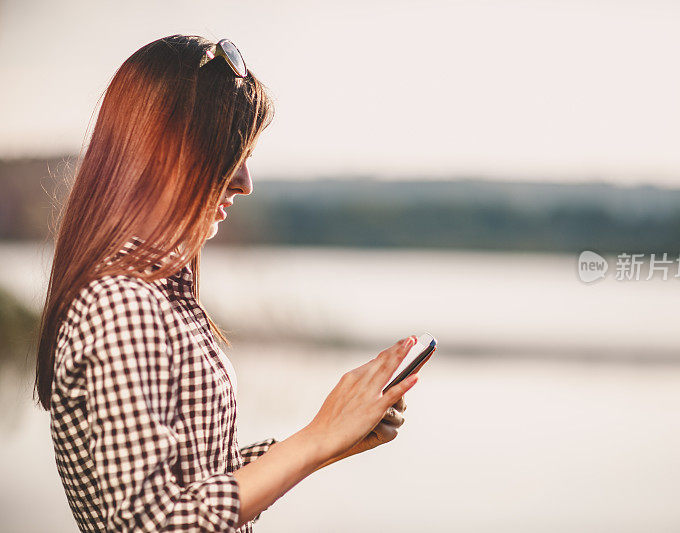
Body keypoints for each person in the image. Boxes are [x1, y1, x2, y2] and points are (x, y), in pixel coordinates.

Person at [33, 34, 420, 532]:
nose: (245, 181)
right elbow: (151, 523)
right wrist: (317, 438)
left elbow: (197, 483)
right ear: (163, 150)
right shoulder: (122, 301)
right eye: (230, 153)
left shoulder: (159, 293)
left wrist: (334, 436)